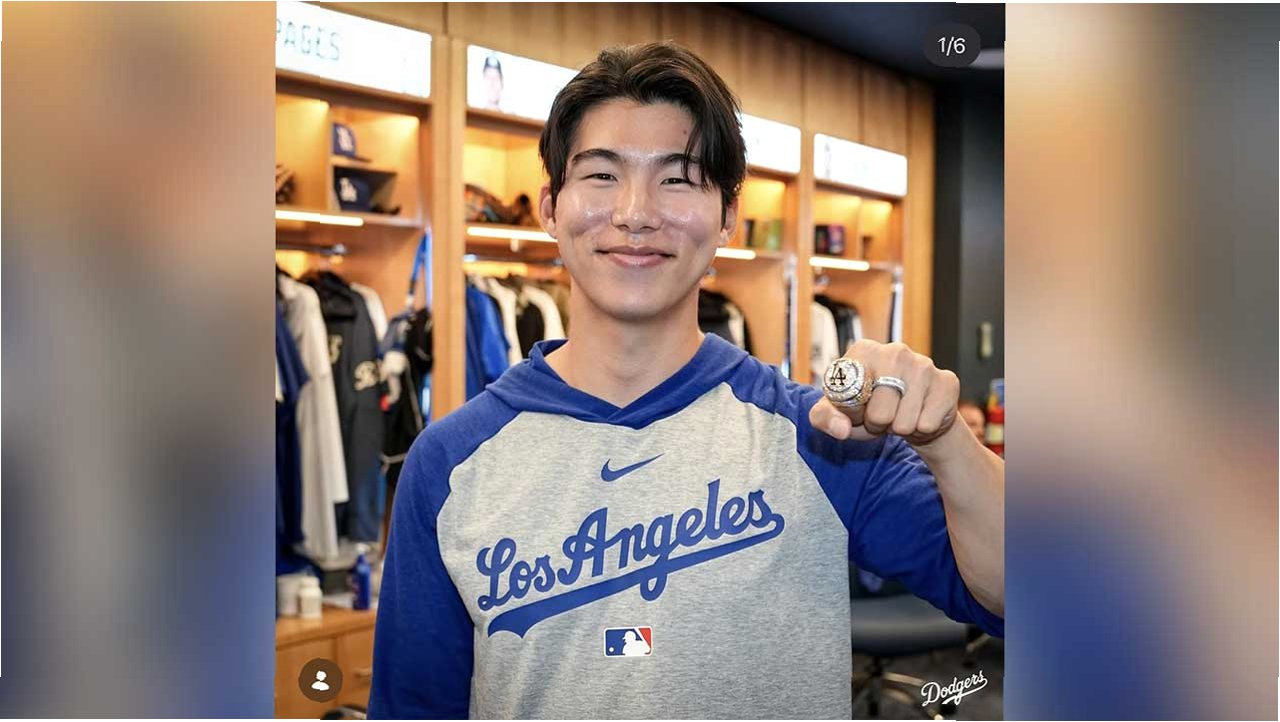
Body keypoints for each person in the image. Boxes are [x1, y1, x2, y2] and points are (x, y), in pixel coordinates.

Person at [368, 42, 1004, 720]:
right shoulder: (450, 463)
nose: (636, 212)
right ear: (551, 207)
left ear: (728, 216)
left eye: (678, 178)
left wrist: (946, 443)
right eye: (602, 175)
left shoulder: (820, 439)